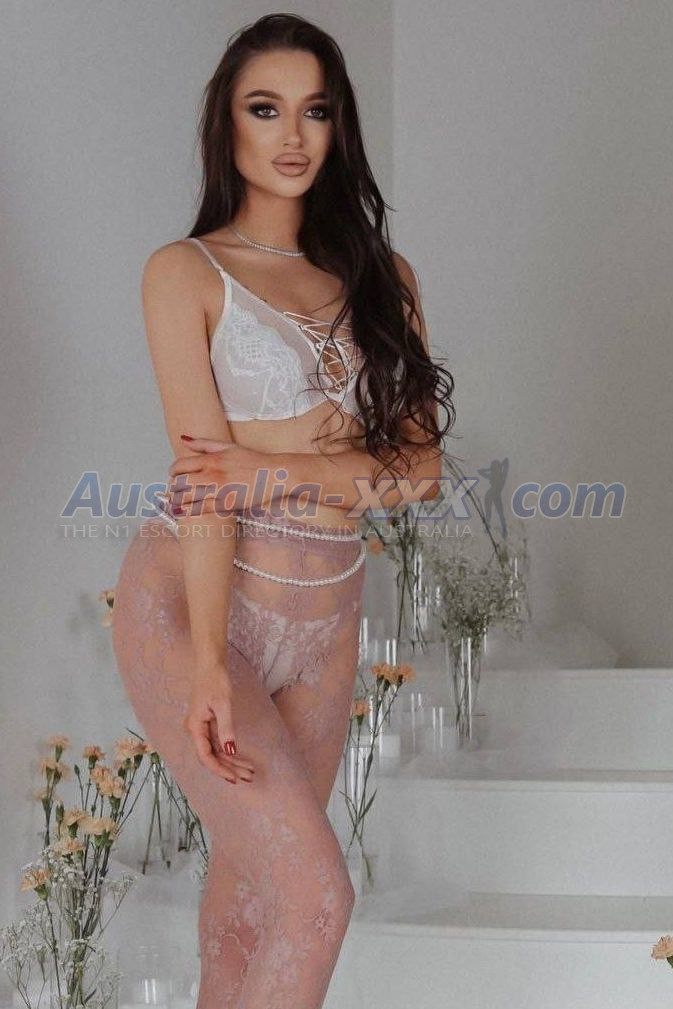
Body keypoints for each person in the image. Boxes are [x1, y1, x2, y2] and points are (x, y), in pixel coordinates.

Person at [112, 12, 455, 1009]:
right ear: (227, 124)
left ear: (340, 126)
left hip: (326, 613)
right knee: (316, 897)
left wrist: (266, 466)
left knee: (255, 904)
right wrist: (209, 663)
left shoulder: (384, 281)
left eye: (316, 110)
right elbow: (204, 489)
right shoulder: (185, 272)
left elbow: (420, 474)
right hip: (193, 601)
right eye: (265, 109)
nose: (293, 134)